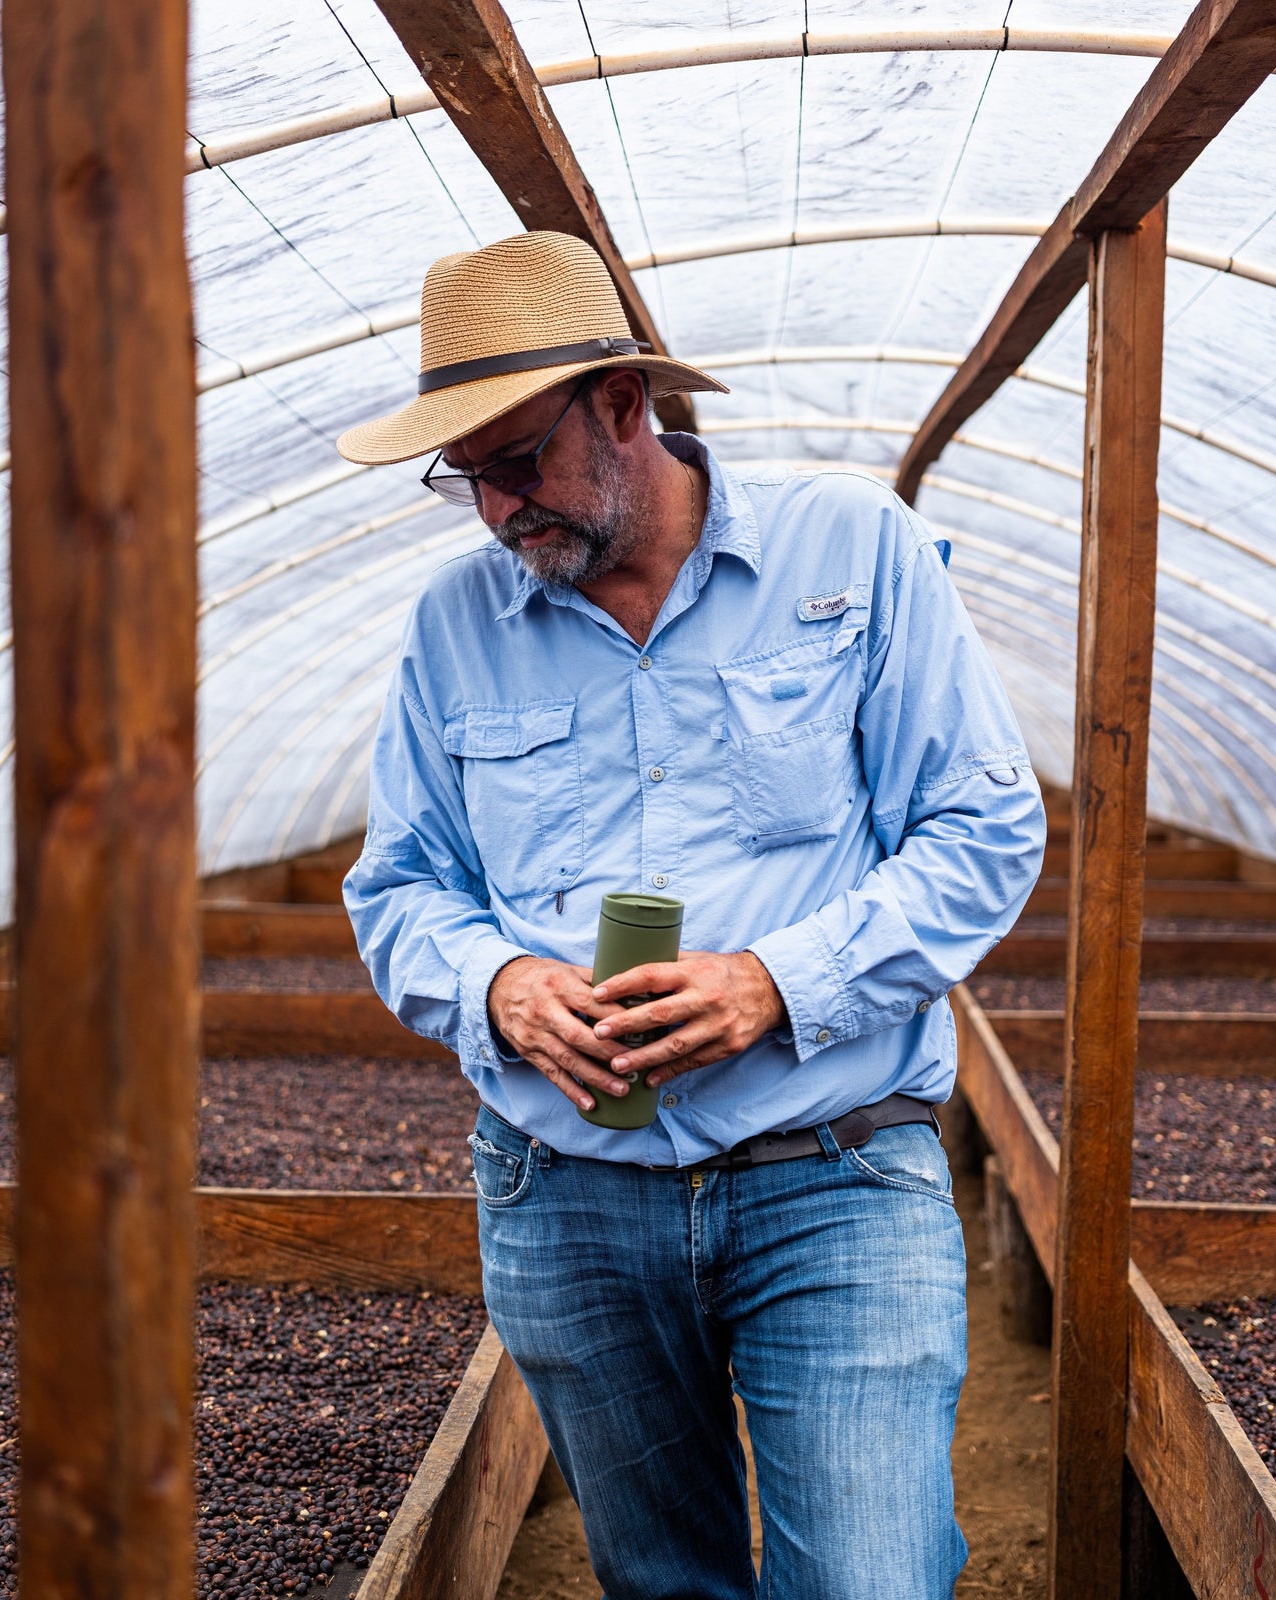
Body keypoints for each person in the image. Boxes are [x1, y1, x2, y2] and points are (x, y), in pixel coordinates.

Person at [340, 231, 1045, 1600]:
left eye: (516, 459)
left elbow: (983, 829)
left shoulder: (854, 551)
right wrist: (500, 990)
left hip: (830, 1166)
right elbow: (399, 887)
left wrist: (776, 982)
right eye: (464, 476)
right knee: (665, 1581)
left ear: (622, 405)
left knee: (868, 1579)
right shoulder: (453, 628)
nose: (494, 510)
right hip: (568, 1197)